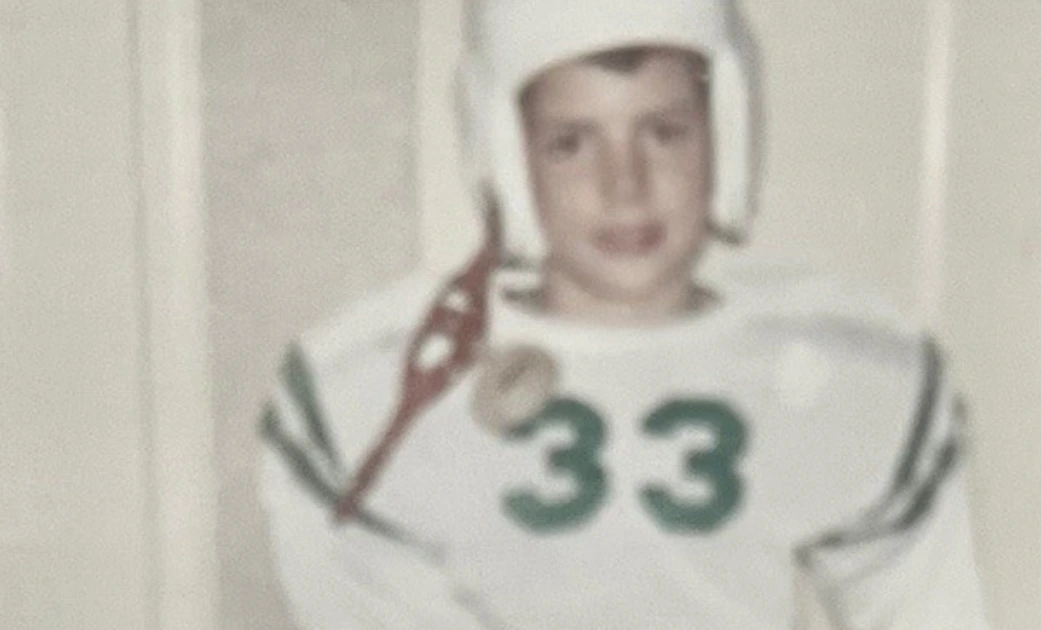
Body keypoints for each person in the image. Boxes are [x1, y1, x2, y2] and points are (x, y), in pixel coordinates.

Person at [258, 0, 991, 628]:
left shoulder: (839, 369)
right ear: (506, 156)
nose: (626, 186)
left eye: (664, 132)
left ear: (725, 131)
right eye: (571, 144)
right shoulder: (387, 384)